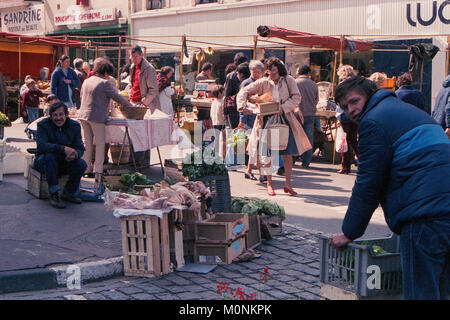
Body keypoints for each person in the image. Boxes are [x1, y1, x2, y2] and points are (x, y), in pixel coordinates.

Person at [330, 76, 450, 300]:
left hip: (425, 214)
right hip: (441, 206)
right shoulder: (402, 110)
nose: (351, 110)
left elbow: (368, 182)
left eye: (354, 101)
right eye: (345, 107)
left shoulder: (373, 121)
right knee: (444, 288)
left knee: (420, 292)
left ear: (369, 94)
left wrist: (349, 232)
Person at [237, 57, 311, 196]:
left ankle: (288, 184)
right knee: (267, 153)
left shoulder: (289, 80)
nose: (271, 75)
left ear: (280, 70)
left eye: (274, 72)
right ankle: (269, 184)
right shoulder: (263, 82)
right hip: (266, 120)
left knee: (288, 154)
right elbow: (243, 91)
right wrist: (242, 106)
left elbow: (296, 97)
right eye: (269, 72)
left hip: (286, 119)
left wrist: (283, 107)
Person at [78, 57, 133, 186]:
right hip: (97, 117)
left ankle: (84, 169)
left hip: (83, 115)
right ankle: (98, 173)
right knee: (100, 144)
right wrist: (131, 106)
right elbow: (118, 97)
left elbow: (81, 96)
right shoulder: (104, 83)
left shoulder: (87, 81)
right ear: (106, 73)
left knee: (87, 144)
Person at [34, 102, 87, 209]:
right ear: (51, 116)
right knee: (50, 157)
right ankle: (54, 194)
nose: (58, 118)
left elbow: (80, 148)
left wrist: (74, 154)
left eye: (61, 115)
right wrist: (63, 149)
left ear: (66, 115)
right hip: (44, 162)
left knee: (81, 164)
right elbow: (41, 146)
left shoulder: (74, 126)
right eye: (55, 115)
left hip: (64, 161)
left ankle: (69, 193)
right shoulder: (43, 125)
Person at [129, 45, 160, 166]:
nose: (134, 59)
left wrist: (144, 103)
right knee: (134, 133)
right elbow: (133, 84)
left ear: (141, 55)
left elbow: (153, 90)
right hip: (133, 103)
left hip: (144, 105)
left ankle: (144, 162)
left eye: (136, 57)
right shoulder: (133, 67)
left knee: (144, 134)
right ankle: (135, 160)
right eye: (132, 57)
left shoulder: (149, 69)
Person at [239, 60, 265, 182]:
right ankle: (261, 173)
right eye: (254, 72)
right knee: (256, 146)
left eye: (258, 72)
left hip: (260, 118)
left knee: (255, 146)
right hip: (250, 118)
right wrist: (242, 120)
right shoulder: (247, 83)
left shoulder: (264, 83)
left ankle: (249, 170)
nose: (256, 74)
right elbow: (242, 102)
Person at [335, 64, 358, 174]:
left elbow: (339, 103)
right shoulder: (357, 84)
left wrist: (338, 117)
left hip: (345, 115)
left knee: (345, 142)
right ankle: (363, 163)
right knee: (355, 141)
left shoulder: (342, 85)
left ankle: (345, 167)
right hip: (355, 114)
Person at [295, 65, 318, 168]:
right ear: (308, 73)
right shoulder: (314, 84)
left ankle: (293, 158)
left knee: (295, 136)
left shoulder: (295, 83)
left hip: (296, 113)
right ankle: (306, 161)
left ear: (299, 71)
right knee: (308, 138)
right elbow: (316, 99)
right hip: (310, 113)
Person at [224, 52, 249, 129]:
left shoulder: (230, 76)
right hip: (246, 108)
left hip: (233, 108)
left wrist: (225, 111)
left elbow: (227, 95)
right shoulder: (249, 75)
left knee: (235, 132)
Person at [210, 85, 226, 161]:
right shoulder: (223, 102)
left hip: (215, 122)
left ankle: (215, 156)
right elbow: (223, 114)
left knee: (216, 140)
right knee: (223, 141)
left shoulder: (213, 102)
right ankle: (223, 157)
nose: (225, 92)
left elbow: (211, 114)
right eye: (223, 91)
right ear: (220, 93)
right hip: (221, 123)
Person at [432, 74, 450, 138]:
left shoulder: (442, 89)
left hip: (438, 121)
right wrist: (449, 126)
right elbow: (448, 108)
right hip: (445, 125)